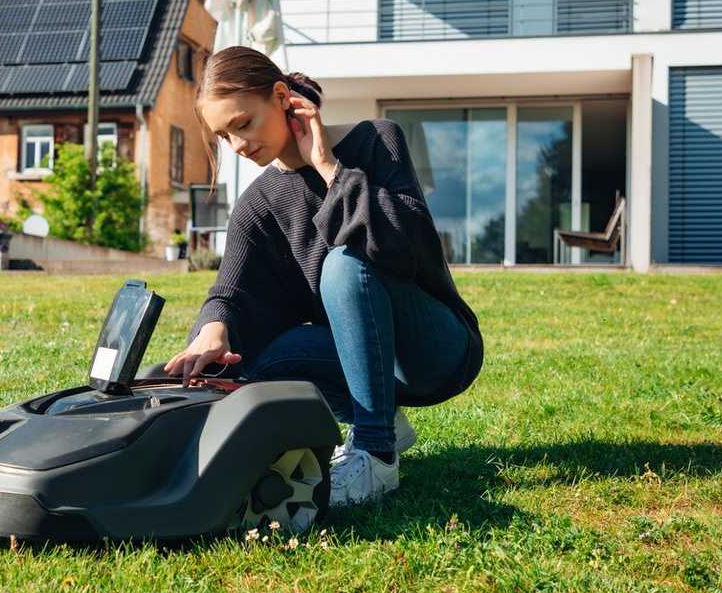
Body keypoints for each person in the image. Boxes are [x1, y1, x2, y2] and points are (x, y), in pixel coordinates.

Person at [163, 46, 483, 507]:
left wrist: (329, 169)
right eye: (223, 136)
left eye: (243, 124)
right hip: (364, 361)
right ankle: (382, 419)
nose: (237, 146)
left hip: (436, 352)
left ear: (280, 96)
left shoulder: (376, 140)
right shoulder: (257, 205)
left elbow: (406, 246)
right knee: (258, 358)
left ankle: (375, 454)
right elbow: (230, 290)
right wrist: (215, 328)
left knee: (343, 263)